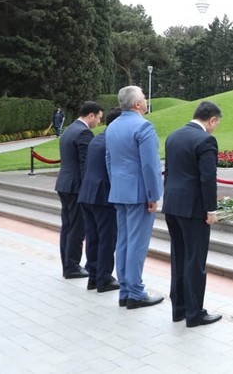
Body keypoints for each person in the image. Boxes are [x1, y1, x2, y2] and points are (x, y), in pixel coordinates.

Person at [162, 101, 223, 327]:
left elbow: (169, 172)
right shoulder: (206, 140)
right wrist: (211, 210)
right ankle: (195, 312)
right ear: (212, 120)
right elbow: (208, 178)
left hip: (172, 205)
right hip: (194, 209)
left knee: (178, 257)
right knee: (195, 260)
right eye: (216, 124)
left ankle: (178, 308)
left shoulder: (174, 136)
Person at [106, 86, 164, 309]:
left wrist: (116, 186)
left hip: (119, 191)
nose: (146, 101)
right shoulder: (143, 126)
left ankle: (125, 291)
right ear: (137, 104)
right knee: (137, 244)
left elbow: (109, 160)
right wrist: (154, 194)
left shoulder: (112, 127)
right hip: (139, 193)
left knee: (123, 241)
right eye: (144, 98)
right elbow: (150, 165)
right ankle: (136, 292)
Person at [54, 101, 103, 279]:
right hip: (75, 186)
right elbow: (85, 164)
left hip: (64, 183)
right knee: (77, 227)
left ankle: (67, 264)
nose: (98, 122)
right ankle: (72, 266)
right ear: (90, 115)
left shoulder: (69, 129)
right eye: (98, 118)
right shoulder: (84, 132)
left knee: (67, 226)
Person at [77, 107, 123, 293]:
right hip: (102, 196)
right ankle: (104, 278)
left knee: (93, 237)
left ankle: (94, 276)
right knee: (107, 238)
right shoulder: (113, 141)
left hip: (87, 193)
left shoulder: (97, 138)